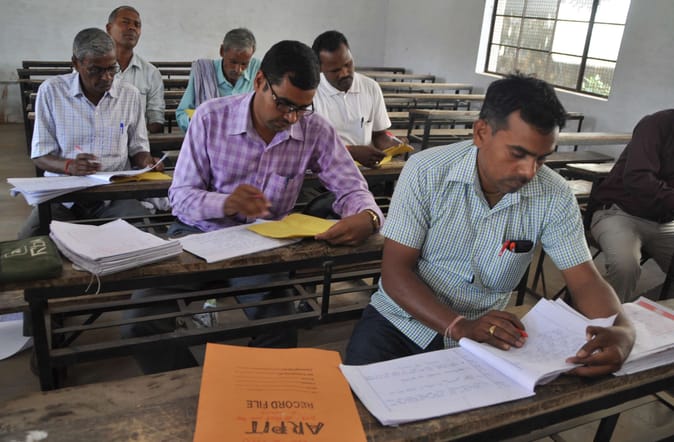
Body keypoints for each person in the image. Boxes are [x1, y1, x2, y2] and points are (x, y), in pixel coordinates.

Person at [345, 73, 635, 378]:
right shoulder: (426, 172)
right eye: (517, 154)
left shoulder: (554, 194)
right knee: (362, 398)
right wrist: (459, 326)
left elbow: (585, 281)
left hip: (486, 333)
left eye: (541, 159)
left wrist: (623, 330)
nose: (529, 172)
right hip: (400, 321)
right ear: (481, 133)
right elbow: (395, 272)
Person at [121, 40, 384, 374]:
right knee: (138, 325)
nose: (291, 118)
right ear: (260, 81)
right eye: (284, 104)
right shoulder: (211, 118)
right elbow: (181, 197)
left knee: (280, 329)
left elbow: (350, 186)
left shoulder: (313, 129)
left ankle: (255, 389)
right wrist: (224, 202)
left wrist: (368, 216)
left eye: (302, 108)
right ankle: (190, 388)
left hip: (264, 242)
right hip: (199, 235)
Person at [18, 28, 163, 240]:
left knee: (148, 239)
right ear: (76, 64)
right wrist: (69, 166)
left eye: (112, 68)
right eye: (95, 70)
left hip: (113, 195)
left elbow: (138, 147)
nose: (106, 77)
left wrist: (146, 162)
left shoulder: (129, 95)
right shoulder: (51, 91)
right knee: (28, 243)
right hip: (65, 196)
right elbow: (40, 155)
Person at [589, 109, 674, 302]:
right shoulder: (656, 124)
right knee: (625, 266)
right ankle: (607, 317)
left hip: (664, 222)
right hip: (620, 213)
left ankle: (643, 309)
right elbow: (638, 178)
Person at [312, 30, 401, 169]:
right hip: (327, 170)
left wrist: (393, 145)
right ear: (320, 69)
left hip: (367, 167)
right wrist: (352, 153)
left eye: (348, 64)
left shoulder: (370, 87)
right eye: (335, 70)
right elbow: (310, 147)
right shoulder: (311, 94)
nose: (344, 73)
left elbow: (379, 134)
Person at [175, 28, 261, 133]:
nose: (238, 69)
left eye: (244, 64)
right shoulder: (203, 72)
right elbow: (181, 114)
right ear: (222, 51)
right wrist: (198, 121)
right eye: (233, 62)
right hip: (210, 135)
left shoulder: (257, 70)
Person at [106, 5, 165, 134]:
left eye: (137, 25)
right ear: (109, 28)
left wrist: (138, 138)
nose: (132, 27)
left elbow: (156, 119)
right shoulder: (93, 69)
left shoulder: (151, 73)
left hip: (138, 141)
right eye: (125, 22)